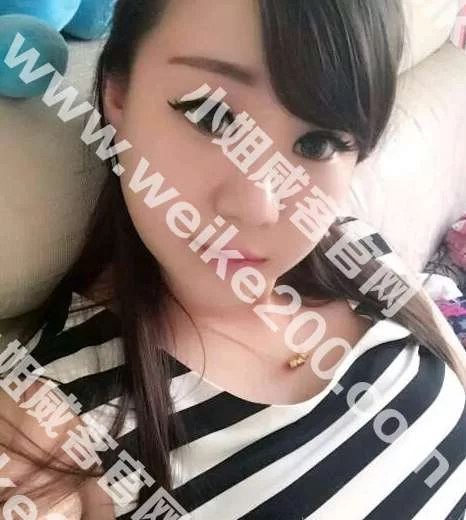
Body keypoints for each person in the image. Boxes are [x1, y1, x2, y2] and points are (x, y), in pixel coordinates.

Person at [0, 0, 465, 518]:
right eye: (211, 115)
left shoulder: (356, 249)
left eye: (317, 143)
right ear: (118, 94)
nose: (256, 206)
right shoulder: (50, 420)